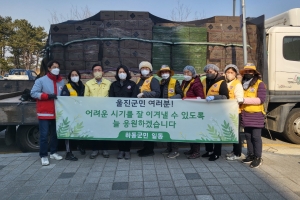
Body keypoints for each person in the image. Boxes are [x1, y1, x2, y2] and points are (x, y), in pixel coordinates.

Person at [30, 60, 64, 166]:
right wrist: (47, 96)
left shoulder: (61, 81)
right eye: (54, 67)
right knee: (44, 135)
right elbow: (33, 93)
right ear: (49, 68)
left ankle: (53, 152)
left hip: (57, 112)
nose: (56, 69)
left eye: (57, 67)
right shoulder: (41, 80)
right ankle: (43, 155)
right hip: (45, 112)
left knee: (55, 134)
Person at [109, 65, 138, 159]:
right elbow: (111, 99)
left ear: (127, 73)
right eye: (120, 72)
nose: (122, 74)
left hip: (129, 113)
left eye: (124, 72)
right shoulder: (114, 85)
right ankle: (121, 150)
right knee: (119, 131)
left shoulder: (132, 84)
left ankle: (127, 150)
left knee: (128, 131)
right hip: (118, 113)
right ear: (117, 74)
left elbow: (134, 98)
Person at [240, 63, 266, 168]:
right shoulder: (243, 84)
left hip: (256, 114)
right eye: (246, 71)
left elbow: (261, 99)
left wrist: (244, 100)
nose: (248, 73)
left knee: (256, 137)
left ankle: (258, 157)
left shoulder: (260, 84)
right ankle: (250, 155)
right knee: (248, 136)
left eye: (250, 71)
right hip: (245, 113)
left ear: (254, 73)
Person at [201, 64, 229, 161]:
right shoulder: (204, 80)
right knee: (208, 130)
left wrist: (214, 97)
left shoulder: (222, 82)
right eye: (207, 72)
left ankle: (216, 153)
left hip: (217, 110)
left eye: (211, 71)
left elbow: (225, 97)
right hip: (206, 110)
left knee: (216, 132)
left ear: (216, 71)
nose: (209, 73)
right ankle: (209, 150)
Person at [84, 64, 111, 159]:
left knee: (104, 130)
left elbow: (111, 98)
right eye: (95, 70)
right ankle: (94, 150)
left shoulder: (108, 83)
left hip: (105, 112)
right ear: (92, 72)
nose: (97, 72)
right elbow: (85, 98)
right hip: (93, 112)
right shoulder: (88, 84)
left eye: (99, 70)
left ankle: (105, 149)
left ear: (103, 72)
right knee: (93, 131)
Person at [157, 65, 183, 158]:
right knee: (167, 128)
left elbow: (180, 94)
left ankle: (175, 150)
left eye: (166, 72)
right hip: (164, 109)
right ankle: (169, 148)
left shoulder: (175, 82)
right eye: (163, 72)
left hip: (173, 109)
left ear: (169, 73)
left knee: (173, 128)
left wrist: (171, 98)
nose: (164, 74)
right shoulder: (161, 82)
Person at [136, 61, 161, 157]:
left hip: (150, 109)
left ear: (150, 70)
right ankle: (145, 147)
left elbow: (157, 93)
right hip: (142, 109)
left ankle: (150, 150)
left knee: (149, 128)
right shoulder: (139, 80)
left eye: (146, 68)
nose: (144, 70)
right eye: (143, 68)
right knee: (144, 128)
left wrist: (144, 94)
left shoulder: (153, 80)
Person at [61, 69, 86, 161]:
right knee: (69, 133)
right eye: (73, 75)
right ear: (70, 77)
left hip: (80, 113)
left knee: (79, 130)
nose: (75, 76)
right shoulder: (67, 87)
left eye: (76, 74)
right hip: (70, 113)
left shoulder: (82, 86)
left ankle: (80, 146)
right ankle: (68, 153)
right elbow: (63, 100)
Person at [180, 65, 205, 159]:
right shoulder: (184, 82)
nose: (186, 74)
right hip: (187, 110)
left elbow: (201, 97)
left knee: (194, 131)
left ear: (193, 73)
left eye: (188, 72)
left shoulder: (196, 83)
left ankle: (196, 151)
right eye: (184, 73)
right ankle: (192, 149)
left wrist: (189, 98)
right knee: (189, 130)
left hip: (195, 110)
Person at [222, 64, 244, 161]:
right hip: (227, 112)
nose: (229, 74)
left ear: (235, 74)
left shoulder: (237, 84)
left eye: (232, 72)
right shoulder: (226, 83)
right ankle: (234, 150)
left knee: (236, 134)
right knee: (231, 133)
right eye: (228, 72)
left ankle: (237, 153)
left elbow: (239, 99)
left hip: (235, 112)